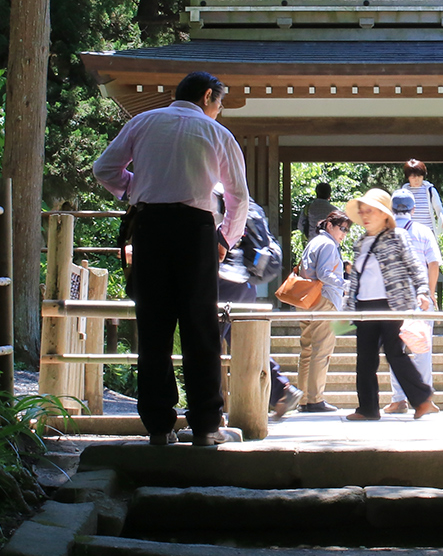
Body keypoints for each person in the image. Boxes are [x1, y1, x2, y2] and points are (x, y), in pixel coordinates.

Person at [92, 71, 247, 447]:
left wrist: (138, 186)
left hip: (150, 226)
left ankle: (158, 427)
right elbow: (237, 196)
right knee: (200, 328)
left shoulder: (142, 123)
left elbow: (104, 169)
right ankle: (207, 425)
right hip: (196, 230)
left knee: (154, 324)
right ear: (208, 96)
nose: (219, 110)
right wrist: (225, 238)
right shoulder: (217, 134)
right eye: (220, 103)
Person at [342, 187, 437, 421]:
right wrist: (347, 307)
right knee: (365, 358)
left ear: (385, 214)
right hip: (364, 305)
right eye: (362, 211)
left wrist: (423, 291)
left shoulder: (398, 237)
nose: (365, 216)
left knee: (395, 353)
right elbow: (355, 278)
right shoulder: (360, 243)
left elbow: (415, 266)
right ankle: (367, 408)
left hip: (392, 304)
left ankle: (422, 398)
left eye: (370, 211)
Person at [214, 198, 301, 419]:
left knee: (207, 345)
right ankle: (283, 389)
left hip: (222, 280)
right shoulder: (242, 197)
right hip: (245, 282)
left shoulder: (209, 192)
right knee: (246, 342)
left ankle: (208, 411)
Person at [385, 186, 441, 414]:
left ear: (391, 209)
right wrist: (430, 291)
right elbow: (434, 263)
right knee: (423, 348)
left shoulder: (385, 232)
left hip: (392, 299)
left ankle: (399, 399)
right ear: (413, 209)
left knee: (395, 350)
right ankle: (426, 396)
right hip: (420, 299)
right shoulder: (424, 231)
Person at [292, 210, 348, 414]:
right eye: (342, 228)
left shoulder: (314, 242)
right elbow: (325, 274)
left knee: (307, 350)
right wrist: (346, 285)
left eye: (346, 230)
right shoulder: (328, 244)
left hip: (307, 301)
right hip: (324, 300)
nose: (344, 233)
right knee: (322, 350)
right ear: (330, 226)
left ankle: (304, 398)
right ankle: (315, 399)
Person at [402, 159, 443, 234]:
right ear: (407, 177)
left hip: (428, 232)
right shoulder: (403, 193)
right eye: (413, 177)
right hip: (410, 233)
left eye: (419, 176)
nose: (416, 180)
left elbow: (439, 209)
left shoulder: (430, 190)